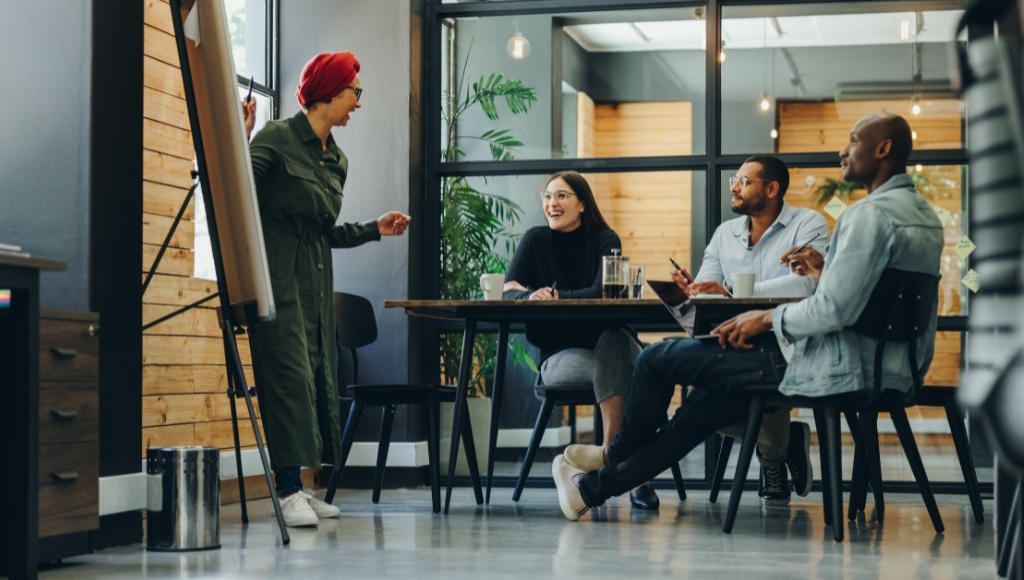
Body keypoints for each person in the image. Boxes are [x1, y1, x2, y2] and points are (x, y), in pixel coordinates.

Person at [551, 112, 944, 521]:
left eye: (853, 140)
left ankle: (613, 454)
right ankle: (589, 492)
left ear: (883, 149)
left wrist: (764, 320)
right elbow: (871, 298)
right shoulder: (927, 218)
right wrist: (826, 270)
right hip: (895, 369)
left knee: (656, 359)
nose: (842, 150)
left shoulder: (867, 215)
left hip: (832, 365)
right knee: (704, 407)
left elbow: (833, 308)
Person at [240, 51, 411, 527]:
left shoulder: (337, 158)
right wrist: (242, 137)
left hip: (316, 279)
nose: (358, 102)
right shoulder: (276, 137)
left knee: (317, 377)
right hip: (275, 275)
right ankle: (288, 488)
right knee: (288, 377)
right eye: (356, 92)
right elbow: (236, 190)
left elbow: (325, 232)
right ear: (331, 92)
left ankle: (305, 486)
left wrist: (375, 229)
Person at [669, 155, 829, 505]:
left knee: (712, 403)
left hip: (789, 343)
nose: (734, 186)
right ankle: (784, 442)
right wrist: (693, 290)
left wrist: (732, 293)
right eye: (734, 179)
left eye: (744, 180)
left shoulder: (808, 223)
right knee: (697, 400)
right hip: (731, 341)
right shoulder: (725, 233)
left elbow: (809, 286)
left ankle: (774, 456)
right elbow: (708, 291)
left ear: (771, 189)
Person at [502, 171, 658, 510]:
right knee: (628, 366)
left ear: (582, 203)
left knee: (615, 341)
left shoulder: (605, 239)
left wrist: (554, 298)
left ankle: (611, 453)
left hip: (612, 346)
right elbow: (508, 292)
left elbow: (606, 292)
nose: (551, 203)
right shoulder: (534, 240)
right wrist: (530, 297)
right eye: (547, 196)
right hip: (561, 357)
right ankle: (630, 470)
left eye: (561, 196)